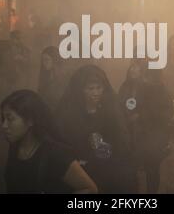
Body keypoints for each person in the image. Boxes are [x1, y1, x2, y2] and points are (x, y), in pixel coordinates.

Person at [55, 65, 134, 193]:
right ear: (81, 90)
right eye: (90, 88)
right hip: (80, 171)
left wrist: (105, 146)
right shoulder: (69, 114)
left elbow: (121, 143)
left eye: (99, 88)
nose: (96, 93)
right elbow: (62, 144)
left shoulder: (110, 112)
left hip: (106, 170)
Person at [1, 90, 97, 194]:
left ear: (30, 120)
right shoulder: (15, 146)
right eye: (3, 119)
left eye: (10, 119)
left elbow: (90, 189)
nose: (4, 125)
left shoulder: (55, 153)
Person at [118, 59, 173, 193]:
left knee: (151, 170)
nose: (133, 70)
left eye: (137, 67)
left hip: (150, 137)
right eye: (132, 66)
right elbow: (119, 106)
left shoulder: (157, 88)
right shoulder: (126, 86)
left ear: (144, 70)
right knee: (131, 170)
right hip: (131, 136)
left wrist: (140, 116)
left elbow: (167, 113)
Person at [37, 46, 69, 111]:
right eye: (43, 60)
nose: (44, 63)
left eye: (47, 60)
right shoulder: (46, 77)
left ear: (55, 60)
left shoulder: (63, 79)